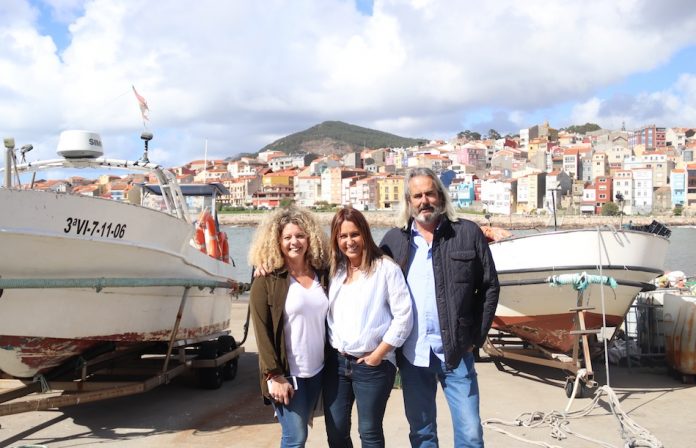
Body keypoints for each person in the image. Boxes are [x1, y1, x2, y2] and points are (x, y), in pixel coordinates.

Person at [379, 167, 500, 448]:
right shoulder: (393, 241)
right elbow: (369, 283)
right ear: (409, 202)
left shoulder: (467, 233)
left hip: (457, 352)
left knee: (471, 433)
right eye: (417, 196)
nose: (424, 201)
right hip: (413, 354)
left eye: (429, 194)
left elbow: (489, 287)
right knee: (422, 433)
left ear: (441, 197)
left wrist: (475, 338)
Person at [324, 206, 413, 448]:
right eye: (343, 236)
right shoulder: (335, 269)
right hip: (337, 363)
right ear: (336, 239)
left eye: (355, 234)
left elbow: (404, 316)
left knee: (369, 432)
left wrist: (378, 355)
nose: (349, 241)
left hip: (373, 365)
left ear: (365, 233)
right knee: (336, 431)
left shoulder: (386, 269)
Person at [248, 206, 330, 448]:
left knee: (302, 433)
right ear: (277, 242)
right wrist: (273, 375)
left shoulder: (323, 274)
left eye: (300, 235)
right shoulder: (267, 280)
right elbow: (261, 332)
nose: (294, 242)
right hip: (286, 374)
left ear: (310, 238)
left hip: (318, 371)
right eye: (287, 237)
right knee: (295, 437)